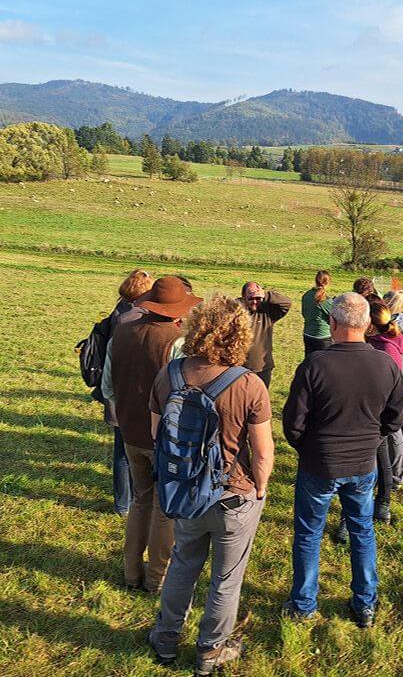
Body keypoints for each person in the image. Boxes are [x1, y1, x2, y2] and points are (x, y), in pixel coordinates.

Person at [146, 295, 275, 676]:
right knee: (226, 578)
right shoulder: (249, 384)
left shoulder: (168, 375)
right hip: (234, 496)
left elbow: (158, 436)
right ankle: (209, 651)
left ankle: (166, 639)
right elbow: (263, 453)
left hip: (185, 492)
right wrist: (261, 489)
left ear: (196, 329)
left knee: (184, 563)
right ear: (240, 336)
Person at [282, 293, 403, 627]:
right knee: (362, 530)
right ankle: (365, 603)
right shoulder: (385, 364)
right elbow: (395, 419)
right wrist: (369, 440)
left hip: (319, 465)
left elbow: (293, 423)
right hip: (364, 465)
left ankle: (303, 603)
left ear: (332, 324)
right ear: (366, 324)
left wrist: (311, 449)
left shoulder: (314, 365)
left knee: (309, 534)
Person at [106, 276, 200, 592]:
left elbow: (107, 386)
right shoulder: (178, 343)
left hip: (130, 431)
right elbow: (186, 396)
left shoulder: (121, 331)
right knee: (164, 507)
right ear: (177, 311)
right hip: (165, 436)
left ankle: (131, 571)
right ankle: (157, 578)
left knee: (140, 501)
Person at [99, 269, 154, 517]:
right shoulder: (132, 318)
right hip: (127, 396)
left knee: (124, 451)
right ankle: (125, 503)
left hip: (118, 394)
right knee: (124, 453)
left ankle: (126, 501)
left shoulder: (120, 309)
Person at [365, 299, 403, 523]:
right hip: (383, 408)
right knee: (381, 457)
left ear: (371, 325)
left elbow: (384, 384)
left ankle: (381, 503)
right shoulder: (393, 338)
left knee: (379, 459)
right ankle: (381, 503)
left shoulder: (381, 348)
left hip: (377, 410)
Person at [238, 282, 291, 388]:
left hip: (262, 368)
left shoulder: (268, 313)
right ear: (243, 297)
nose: (254, 302)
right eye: (251, 298)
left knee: (260, 401)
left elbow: (286, 303)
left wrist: (265, 295)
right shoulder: (237, 313)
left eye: (258, 298)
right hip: (239, 368)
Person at [300, 271, 333, 356]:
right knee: (325, 364)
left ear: (315, 280)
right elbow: (334, 318)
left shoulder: (306, 295)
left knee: (310, 362)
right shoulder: (326, 300)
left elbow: (304, 313)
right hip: (323, 336)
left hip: (307, 334)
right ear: (328, 282)